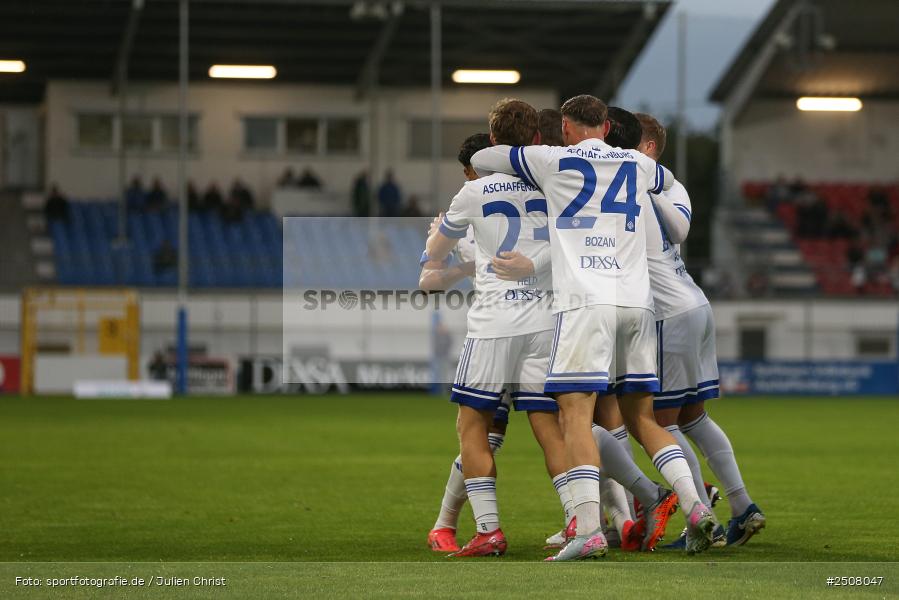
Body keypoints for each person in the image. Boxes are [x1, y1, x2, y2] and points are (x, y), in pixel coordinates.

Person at [471, 94, 718, 560]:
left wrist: (534, 159)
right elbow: (669, 181)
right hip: (638, 306)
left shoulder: (551, 161)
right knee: (642, 418)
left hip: (585, 304)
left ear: (565, 128)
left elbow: (483, 158)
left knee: (576, 415)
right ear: (606, 128)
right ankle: (696, 508)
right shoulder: (636, 164)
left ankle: (588, 531)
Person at [423, 99, 568, 558]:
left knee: (473, 426)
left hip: (495, 324)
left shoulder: (473, 192)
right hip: (547, 322)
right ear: (538, 140)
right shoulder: (556, 186)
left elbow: (435, 250)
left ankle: (488, 529)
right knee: (552, 429)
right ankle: (580, 523)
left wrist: (442, 241)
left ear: (491, 142)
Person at [634, 111, 765, 548]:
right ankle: (743, 505)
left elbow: (674, 232)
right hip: (693, 302)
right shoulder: (671, 188)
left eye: (625, 144)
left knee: (658, 421)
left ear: (647, 148)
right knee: (694, 416)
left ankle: (699, 521)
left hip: (670, 312)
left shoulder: (645, 186)